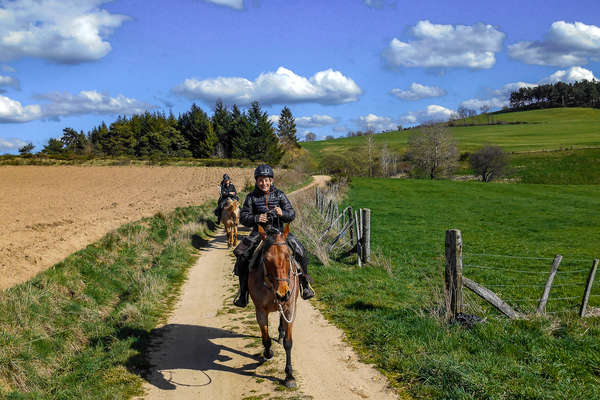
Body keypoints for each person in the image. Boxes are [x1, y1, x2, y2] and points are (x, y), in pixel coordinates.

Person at [232, 164, 315, 307]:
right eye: (260, 180)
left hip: (280, 233)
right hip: (260, 234)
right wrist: (256, 218)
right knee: (242, 255)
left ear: (271, 181)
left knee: (300, 250)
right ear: (256, 181)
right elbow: (244, 218)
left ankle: (305, 286)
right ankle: (243, 293)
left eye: (266, 180)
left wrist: (282, 213)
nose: (264, 183)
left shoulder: (280, 195)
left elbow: (291, 214)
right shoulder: (251, 197)